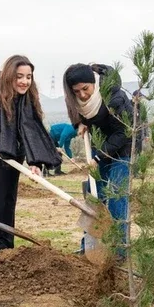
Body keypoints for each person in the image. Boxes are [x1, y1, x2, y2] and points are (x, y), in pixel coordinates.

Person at [0, 55, 60, 254]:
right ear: (9, 75)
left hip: (13, 149)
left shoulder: (29, 96)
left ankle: (2, 248)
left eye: (29, 76)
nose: (25, 81)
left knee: (5, 197)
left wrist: (35, 162)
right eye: (19, 76)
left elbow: (31, 130)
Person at [63, 63, 133, 256]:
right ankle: (90, 247)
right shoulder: (76, 100)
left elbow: (123, 132)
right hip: (99, 145)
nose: (82, 95)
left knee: (117, 197)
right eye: (77, 91)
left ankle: (119, 252)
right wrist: (79, 123)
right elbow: (75, 109)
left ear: (94, 82)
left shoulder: (114, 96)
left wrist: (98, 156)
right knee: (95, 196)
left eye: (86, 89)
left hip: (123, 146)